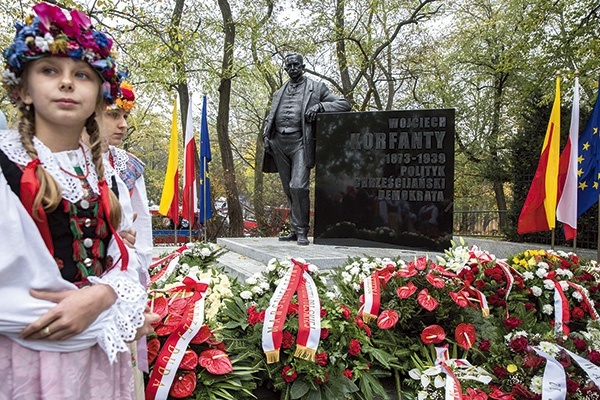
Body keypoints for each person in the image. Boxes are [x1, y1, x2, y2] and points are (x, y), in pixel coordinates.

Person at [0, 3, 158, 399]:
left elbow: (123, 258)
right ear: (22, 89)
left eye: (82, 75)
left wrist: (106, 297)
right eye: (50, 70)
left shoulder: (99, 173)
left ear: (98, 95)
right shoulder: (7, 169)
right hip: (28, 359)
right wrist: (107, 318)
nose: (67, 83)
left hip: (100, 361)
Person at [263, 52, 351, 245]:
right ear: (286, 69)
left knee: (299, 186)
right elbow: (270, 117)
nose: (293, 68)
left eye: (297, 65)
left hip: (300, 143)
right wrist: (265, 136)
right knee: (288, 189)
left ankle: (302, 230)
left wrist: (320, 107)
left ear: (303, 67)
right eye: (290, 66)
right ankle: (294, 230)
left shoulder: (316, 88)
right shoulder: (279, 92)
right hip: (278, 143)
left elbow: (344, 104)